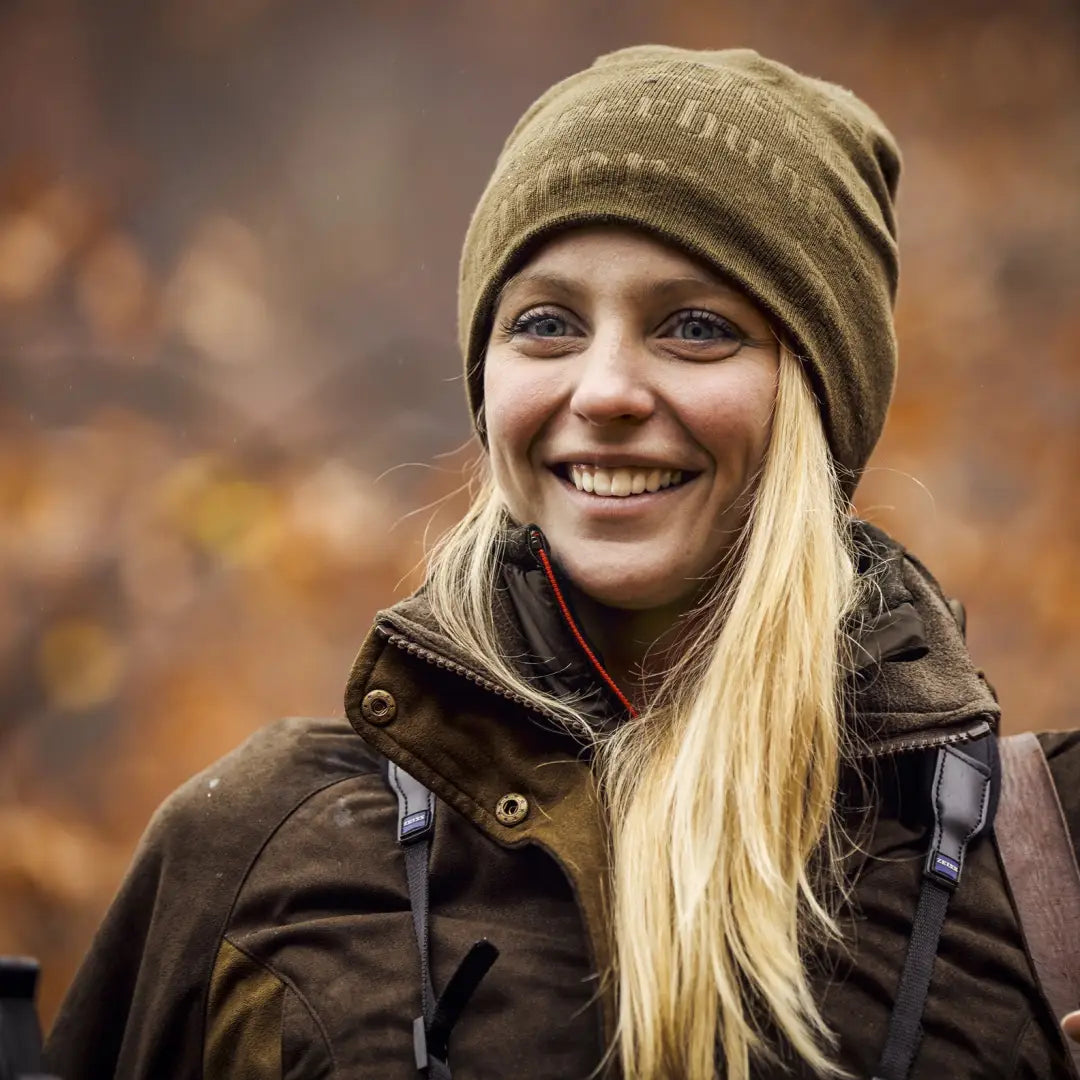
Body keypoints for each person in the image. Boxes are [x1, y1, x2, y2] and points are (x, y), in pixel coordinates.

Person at [44, 45, 1080, 1080]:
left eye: (696, 327)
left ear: (816, 395)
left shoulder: (1045, 864)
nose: (607, 389)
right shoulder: (258, 850)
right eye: (546, 324)